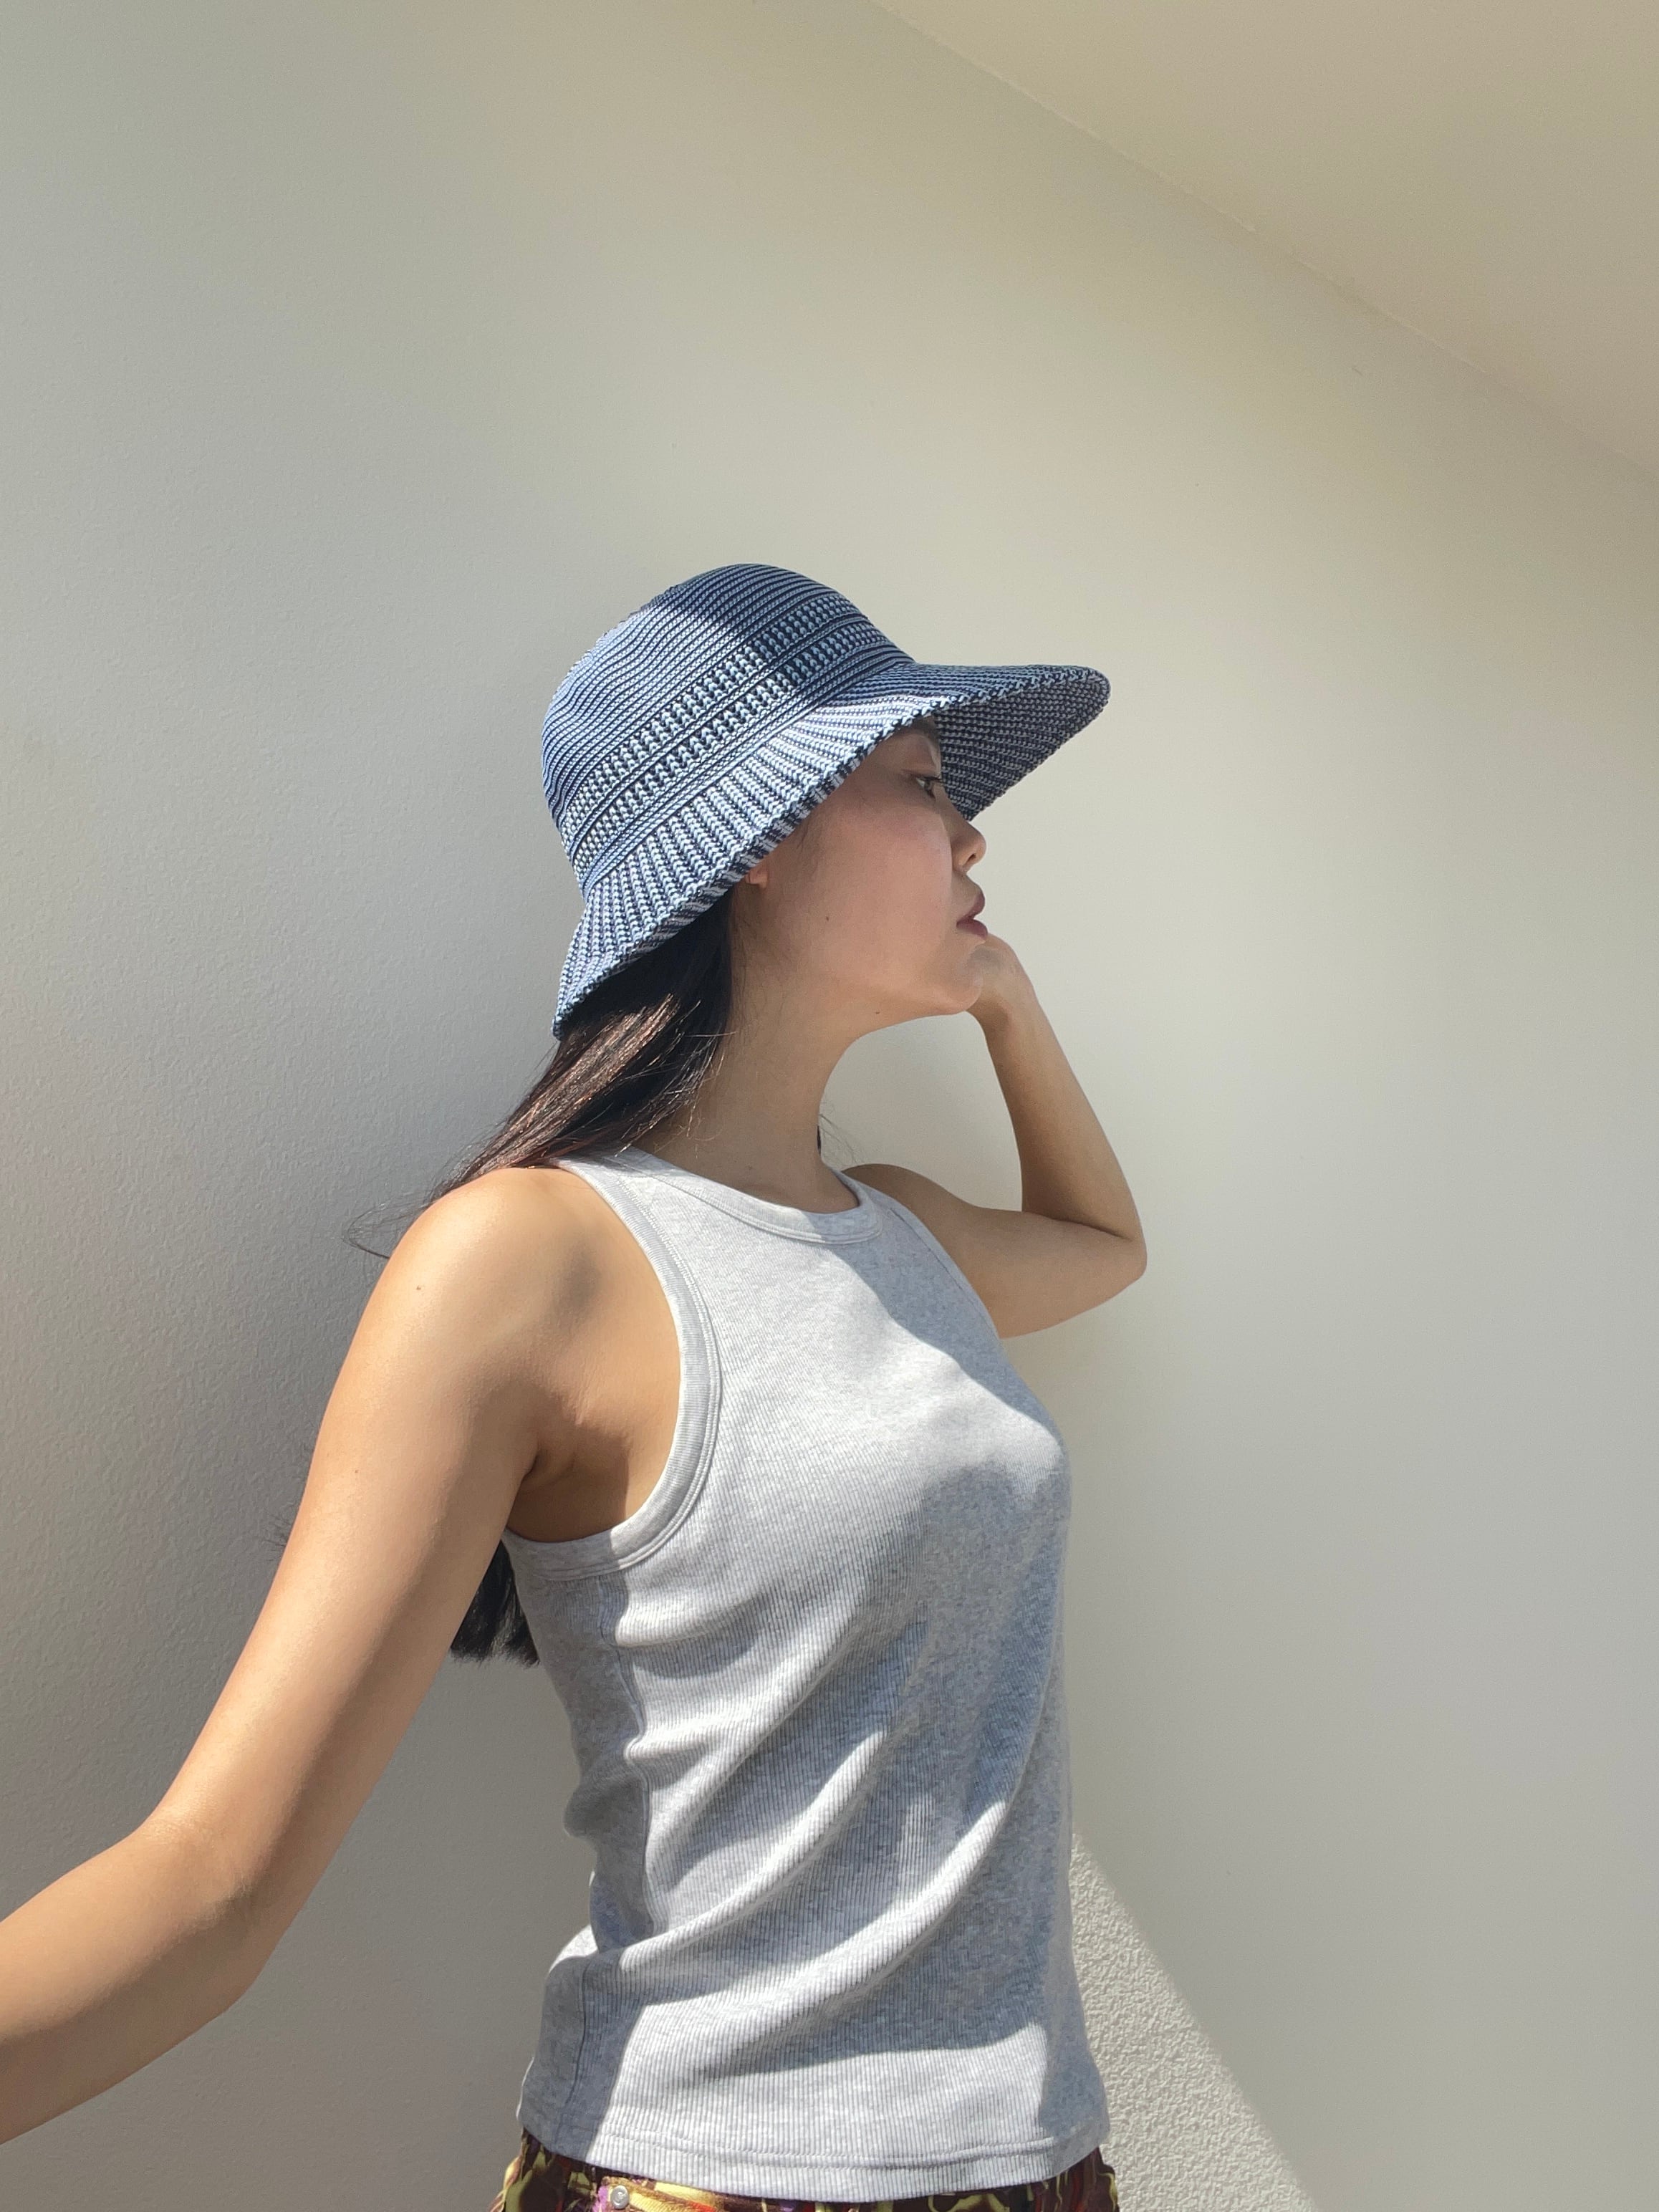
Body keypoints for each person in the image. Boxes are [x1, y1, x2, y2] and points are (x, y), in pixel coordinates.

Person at [0, 564, 1146, 2212]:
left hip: (1041, 2160)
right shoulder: (530, 1258)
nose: (971, 835)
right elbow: (213, 1876)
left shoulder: (903, 1233)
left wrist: (1006, 998)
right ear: (760, 830)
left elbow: (1103, 1242)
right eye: (919, 782)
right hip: (717, 2179)